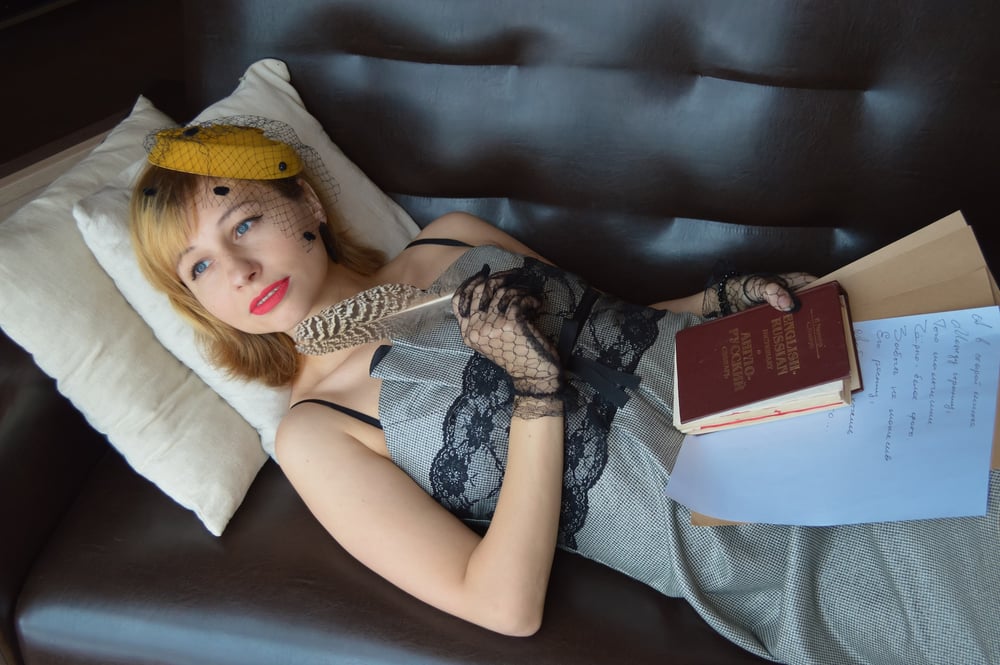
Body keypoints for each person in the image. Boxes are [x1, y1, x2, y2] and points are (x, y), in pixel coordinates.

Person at [130, 120, 999, 665]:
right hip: (738, 529)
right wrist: (533, 393)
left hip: (778, 393)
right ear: (197, 301)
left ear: (305, 202)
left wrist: (724, 300)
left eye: (242, 219)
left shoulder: (447, 243)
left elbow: (624, 323)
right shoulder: (316, 431)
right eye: (200, 265)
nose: (239, 268)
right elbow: (498, 604)